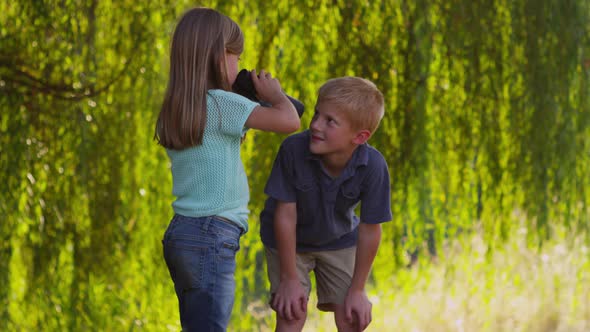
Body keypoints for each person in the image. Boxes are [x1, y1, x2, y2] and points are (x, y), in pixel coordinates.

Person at [154, 7, 300, 332]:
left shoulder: (175, 107)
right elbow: (291, 121)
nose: (238, 65)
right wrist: (274, 95)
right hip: (211, 235)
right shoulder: (224, 103)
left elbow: (215, 150)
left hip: (183, 233)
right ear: (218, 57)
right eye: (235, 56)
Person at [260, 77, 392, 331]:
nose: (315, 125)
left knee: (351, 316)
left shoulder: (374, 167)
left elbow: (370, 229)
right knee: (291, 312)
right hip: (289, 242)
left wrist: (358, 289)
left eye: (329, 121)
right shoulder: (293, 150)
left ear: (360, 136)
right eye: (317, 114)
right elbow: (285, 216)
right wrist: (289, 279)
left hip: (338, 239)